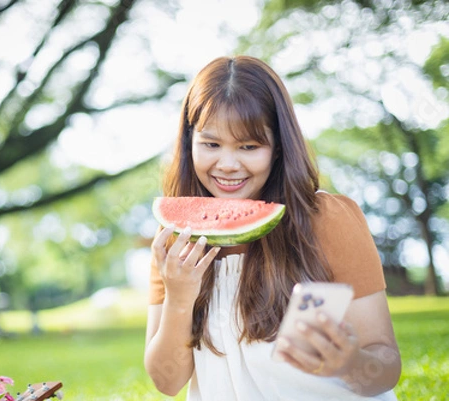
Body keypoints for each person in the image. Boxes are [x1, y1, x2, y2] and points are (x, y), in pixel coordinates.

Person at [144, 55, 401, 400]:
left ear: (278, 147)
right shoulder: (176, 242)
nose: (228, 165)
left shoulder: (328, 218)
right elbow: (167, 382)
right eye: (211, 144)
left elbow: (386, 368)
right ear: (189, 143)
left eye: (249, 146)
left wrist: (349, 362)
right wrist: (179, 298)